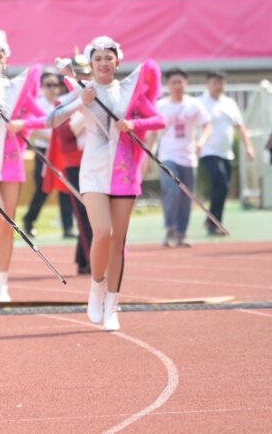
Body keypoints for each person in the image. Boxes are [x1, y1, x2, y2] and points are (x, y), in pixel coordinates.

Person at [48, 36, 164, 331]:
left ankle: (112, 305)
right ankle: (96, 288)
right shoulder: (82, 90)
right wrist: (78, 104)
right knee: (102, 232)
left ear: (117, 62)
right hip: (94, 170)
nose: (103, 63)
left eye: (108, 58)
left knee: (118, 240)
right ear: (91, 63)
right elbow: (51, 120)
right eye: (97, 59)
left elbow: (158, 119)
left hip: (124, 170)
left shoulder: (129, 91)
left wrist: (134, 124)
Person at [0, 43, 47, 303]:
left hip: (10, 161)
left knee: (9, 224)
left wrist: (24, 123)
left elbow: (46, 118)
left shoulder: (17, 89)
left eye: (0, 56)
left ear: (7, 60)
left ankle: (2, 281)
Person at [155, 69, 210, 248]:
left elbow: (207, 126)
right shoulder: (161, 106)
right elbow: (152, 132)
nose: (177, 85)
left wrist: (201, 141)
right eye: (173, 82)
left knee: (186, 196)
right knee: (172, 190)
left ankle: (182, 232)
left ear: (186, 84)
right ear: (167, 85)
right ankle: (170, 229)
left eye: (180, 82)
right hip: (167, 155)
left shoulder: (194, 105)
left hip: (188, 156)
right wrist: (147, 156)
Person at [52, 54, 94, 275]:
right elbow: (65, 134)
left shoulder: (101, 96)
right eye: (80, 74)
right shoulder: (64, 102)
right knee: (84, 213)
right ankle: (90, 259)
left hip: (99, 161)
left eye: (88, 73)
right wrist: (83, 108)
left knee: (96, 213)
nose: (84, 78)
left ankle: (83, 258)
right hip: (75, 164)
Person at [199, 71, 255, 236]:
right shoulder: (200, 103)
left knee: (223, 187)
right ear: (208, 84)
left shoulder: (230, 103)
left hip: (226, 153)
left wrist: (249, 147)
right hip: (208, 152)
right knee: (220, 181)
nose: (218, 86)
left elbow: (240, 126)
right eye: (214, 82)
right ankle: (214, 222)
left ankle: (213, 221)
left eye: (221, 83)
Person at [22, 68, 76, 239]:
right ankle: (29, 220)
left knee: (65, 189)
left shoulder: (64, 102)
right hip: (43, 151)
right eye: (49, 85)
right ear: (42, 86)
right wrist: (53, 135)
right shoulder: (36, 104)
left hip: (61, 151)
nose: (53, 88)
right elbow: (30, 128)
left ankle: (68, 228)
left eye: (56, 84)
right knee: (43, 189)